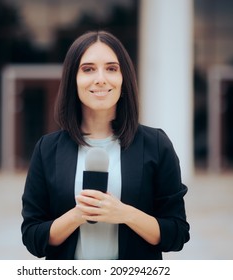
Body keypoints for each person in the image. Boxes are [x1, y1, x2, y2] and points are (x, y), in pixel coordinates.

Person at [21, 30, 190, 260]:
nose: (100, 78)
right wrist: (78, 215)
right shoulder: (48, 149)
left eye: (111, 68)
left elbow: (177, 233)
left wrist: (123, 213)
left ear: (124, 79)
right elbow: (32, 237)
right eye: (88, 69)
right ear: (73, 80)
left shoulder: (156, 145)